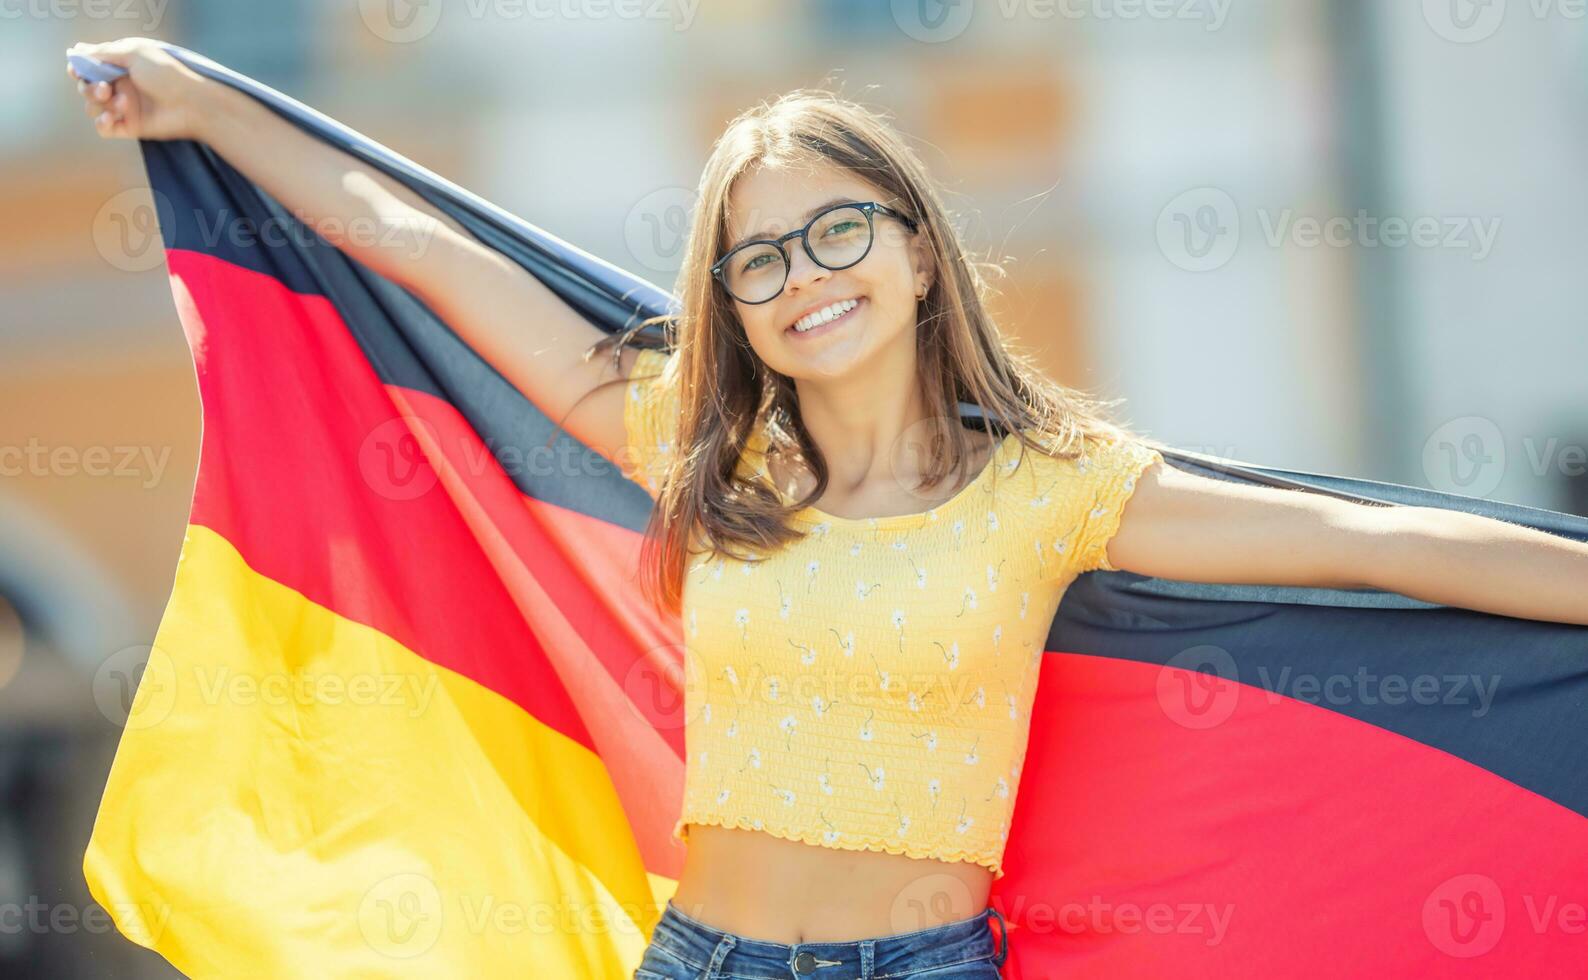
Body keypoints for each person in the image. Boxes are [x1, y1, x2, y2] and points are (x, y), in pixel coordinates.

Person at [68, 37, 1588, 980]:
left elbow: (1377, 544)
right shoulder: (701, 456)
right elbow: (428, 253)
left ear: (921, 251)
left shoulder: (1048, 492)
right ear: (729, 301)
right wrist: (204, 102)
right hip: (701, 964)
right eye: (762, 259)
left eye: (837, 231)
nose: (807, 279)